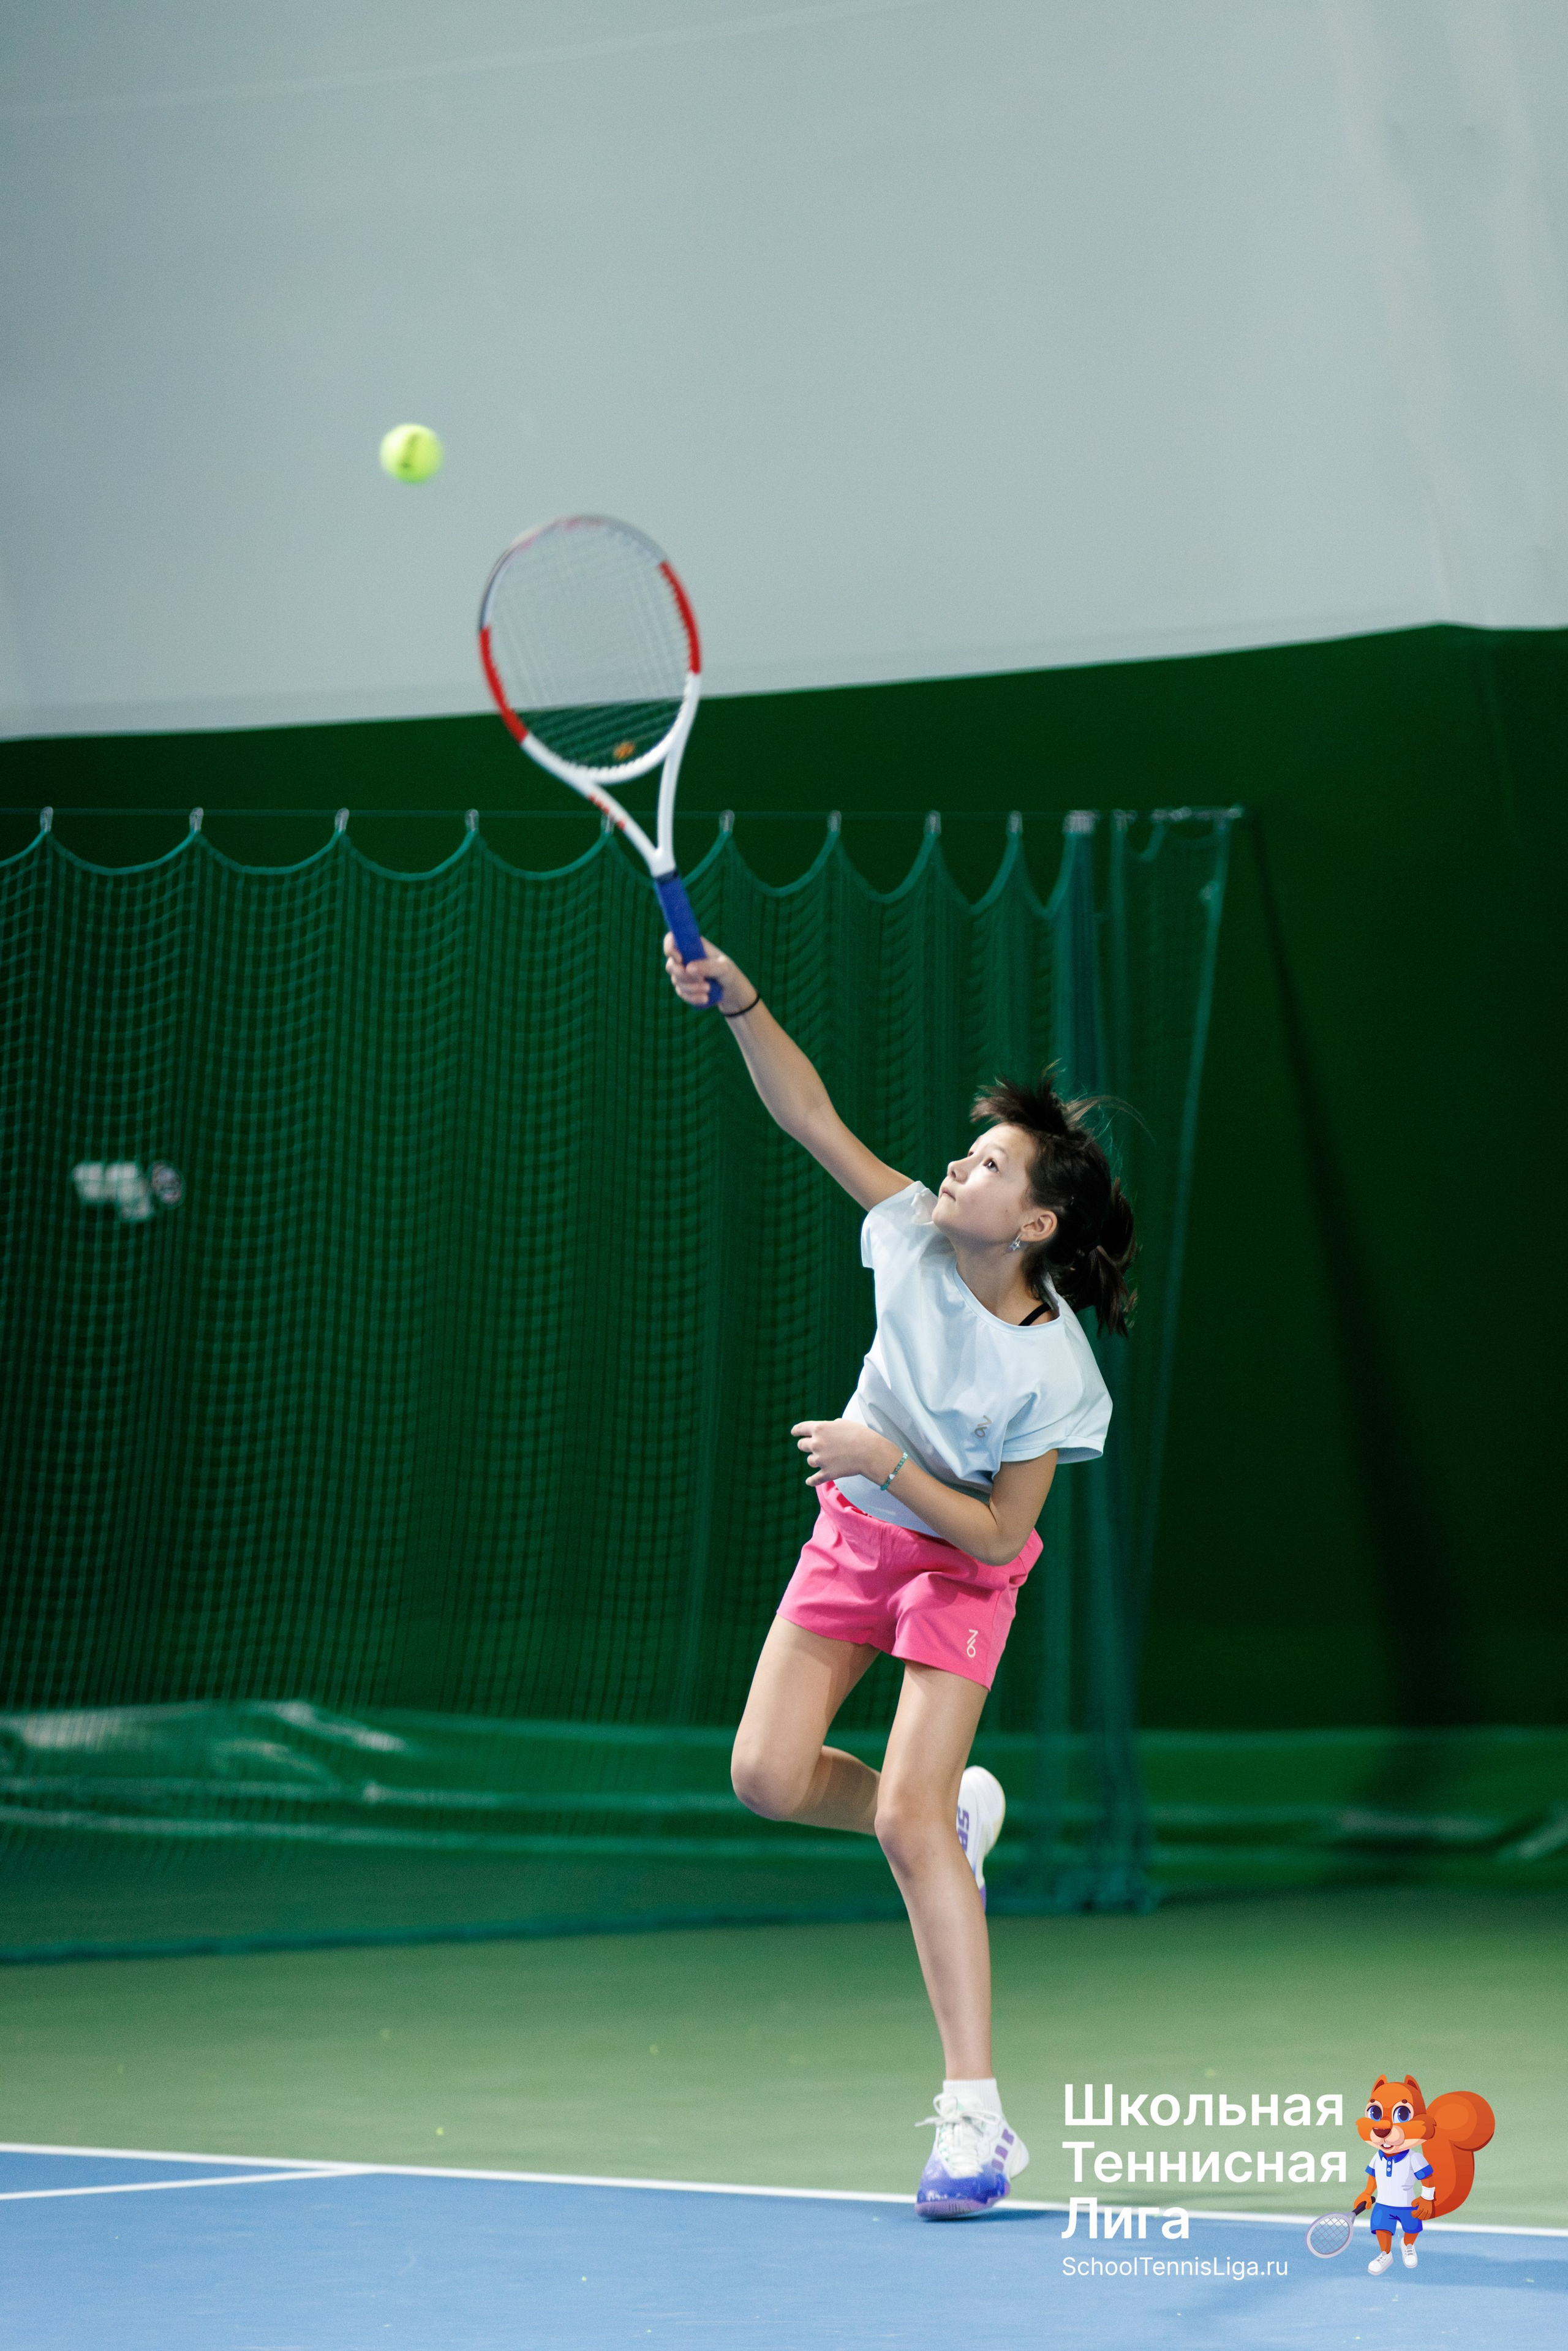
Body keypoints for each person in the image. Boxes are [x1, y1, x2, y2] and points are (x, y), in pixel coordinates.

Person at [664, 929, 1135, 2217]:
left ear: (1032, 1222)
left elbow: (993, 1538)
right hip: (853, 1539)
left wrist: (880, 1453)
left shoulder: (1055, 1373)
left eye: (984, 1164)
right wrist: (740, 998)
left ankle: (976, 2124)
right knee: (764, 1775)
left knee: (899, 1822)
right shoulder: (909, 1237)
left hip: (955, 1568)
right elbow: (808, 1111)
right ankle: (947, 1815)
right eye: (963, 1149)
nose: (953, 1165)